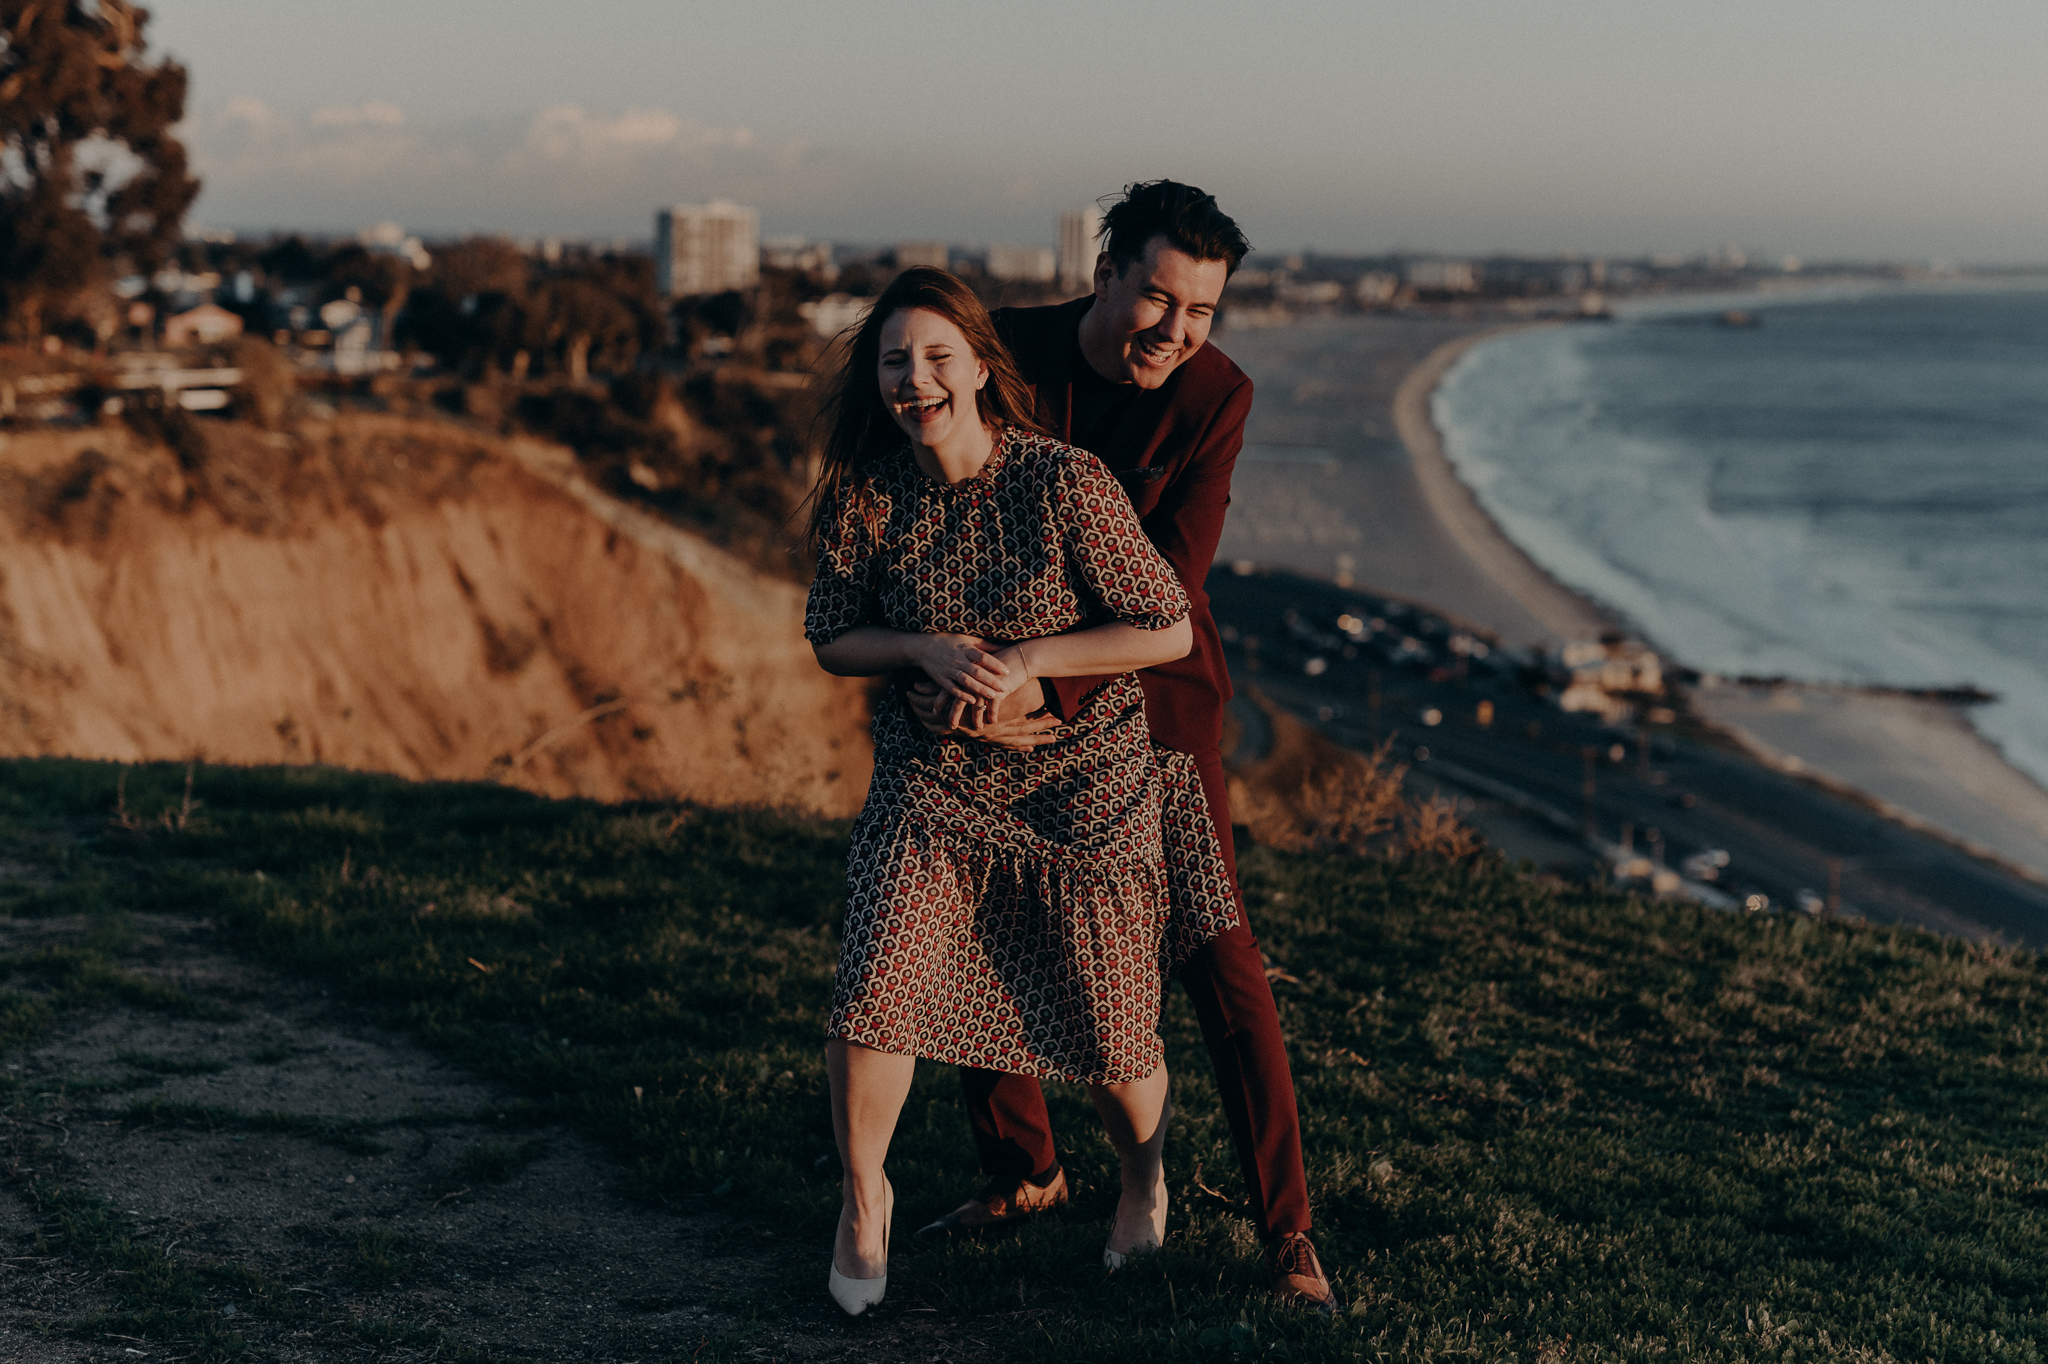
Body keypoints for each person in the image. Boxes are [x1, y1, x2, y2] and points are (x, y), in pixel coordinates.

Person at [906, 181, 1336, 1312]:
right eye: (1156, 296)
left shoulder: (1214, 395)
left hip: (1152, 701)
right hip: (996, 683)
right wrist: (973, 671)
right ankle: (1023, 1172)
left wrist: (1046, 685)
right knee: (978, 910)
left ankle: (1286, 1234)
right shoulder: (1002, 355)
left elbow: (1174, 589)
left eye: (1199, 311)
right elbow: (936, 503)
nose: (1173, 330)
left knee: (1212, 945)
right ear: (1105, 273)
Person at [803, 266, 1241, 1317]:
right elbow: (831, 637)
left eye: (936, 357)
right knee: (875, 983)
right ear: (877, 379)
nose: (916, 380)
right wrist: (919, 645)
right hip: (932, 784)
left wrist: (1030, 657)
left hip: (1080, 783)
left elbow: (1164, 625)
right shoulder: (866, 490)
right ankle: (864, 1198)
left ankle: (1141, 1180)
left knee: (1111, 1024)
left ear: (978, 369)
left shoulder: (1062, 480)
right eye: (895, 361)